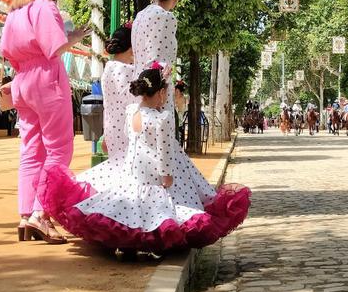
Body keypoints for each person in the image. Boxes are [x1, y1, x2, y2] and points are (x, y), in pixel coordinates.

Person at [39, 66, 251, 253]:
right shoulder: (162, 119)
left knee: (125, 215)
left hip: (133, 178)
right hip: (153, 181)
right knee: (159, 219)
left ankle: (127, 245)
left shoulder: (132, 111)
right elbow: (165, 153)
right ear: (160, 92)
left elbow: (130, 141)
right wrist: (167, 176)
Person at [0, 0, 91, 244]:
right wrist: (74, 37)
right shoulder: (44, 7)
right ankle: (42, 213)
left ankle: (26, 214)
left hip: (23, 79)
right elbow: (54, 46)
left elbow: (7, 52)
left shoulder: (15, 12)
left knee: (30, 149)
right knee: (58, 149)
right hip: (46, 78)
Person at [132, 0, 187, 114]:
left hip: (140, 93)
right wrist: (160, 98)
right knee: (159, 137)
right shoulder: (166, 17)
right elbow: (158, 63)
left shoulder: (140, 16)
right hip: (157, 98)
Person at [98, 24, 137, 164]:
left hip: (111, 128)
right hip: (126, 129)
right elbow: (132, 100)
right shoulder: (127, 70)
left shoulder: (109, 67)